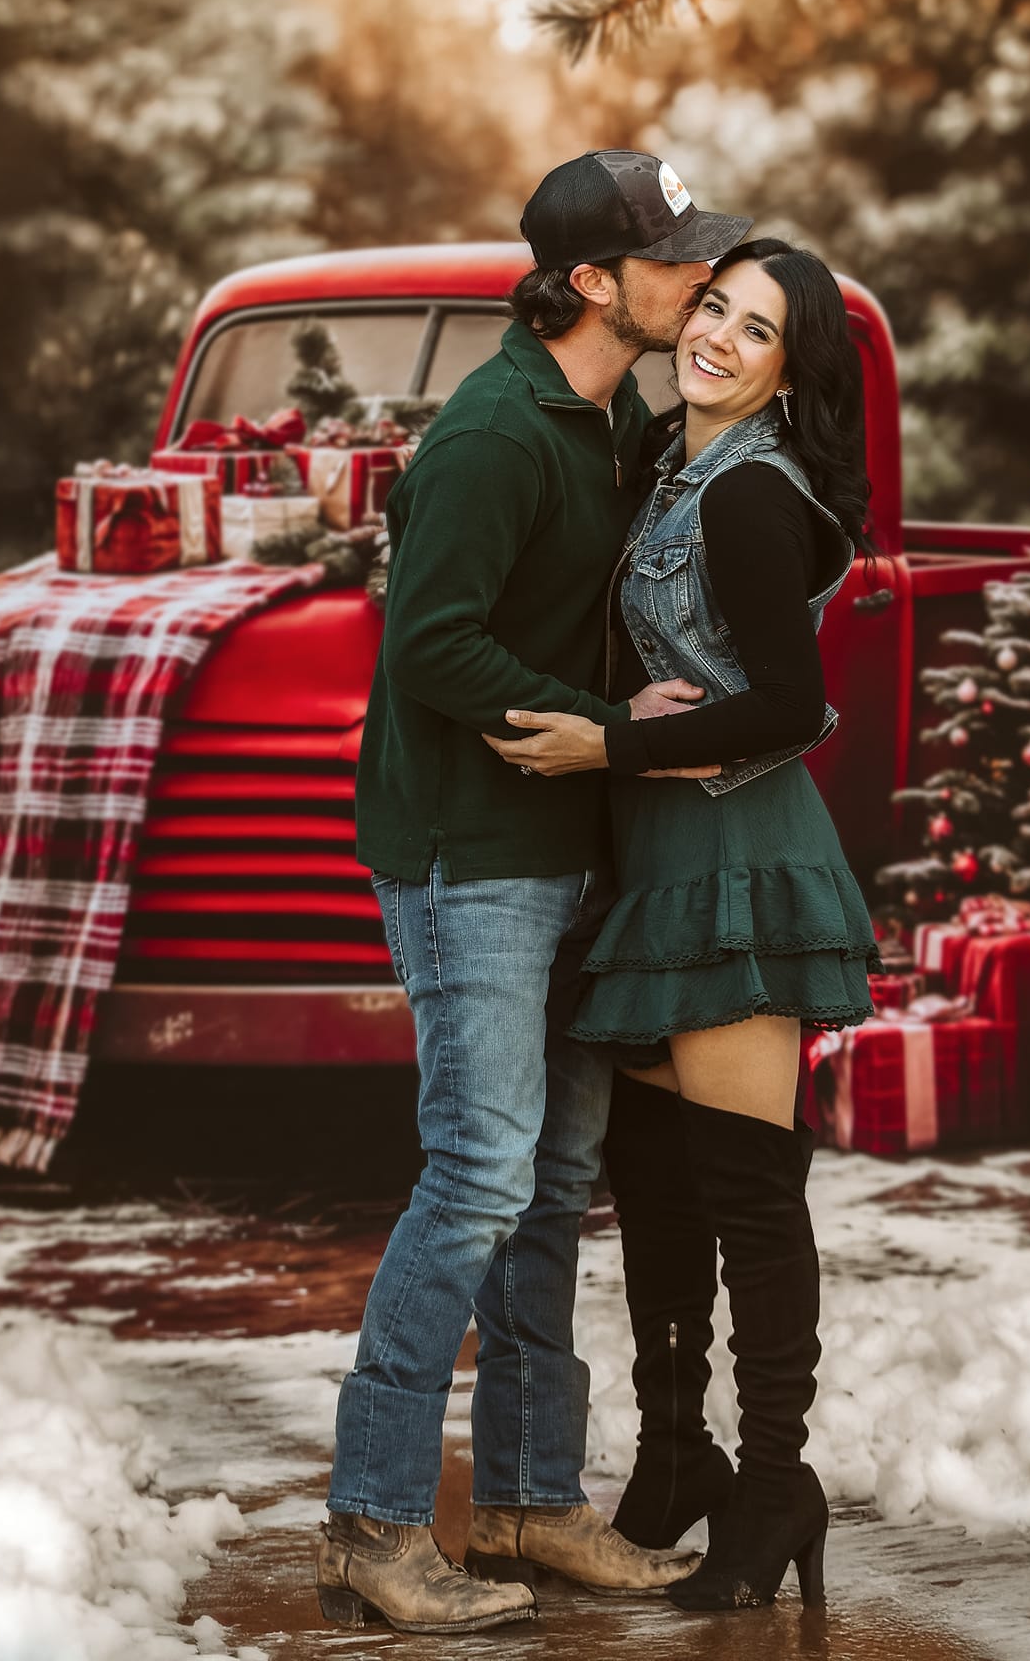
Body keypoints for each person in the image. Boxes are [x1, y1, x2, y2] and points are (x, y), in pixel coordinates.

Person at [313, 151, 752, 1634]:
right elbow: (429, 647)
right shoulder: (498, 435)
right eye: (670, 259)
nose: (697, 277)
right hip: (471, 858)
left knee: (556, 1183)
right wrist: (614, 726)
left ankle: (521, 1502)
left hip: (560, 848)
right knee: (482, 1173)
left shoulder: (609, 413)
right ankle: (375, 1526)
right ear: (589, 283)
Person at [484, 237, 881, 1615]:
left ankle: (776, 1486)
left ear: (789, 369)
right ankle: (675, 1455)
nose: (715, 335)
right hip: (658, 863)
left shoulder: (750, 496)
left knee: (748, 1197)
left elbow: (788, 705)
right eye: (714, 307)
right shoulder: (667, 462)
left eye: (755, 330)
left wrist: (602, 751)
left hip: (737, 866)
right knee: (654, 1182)